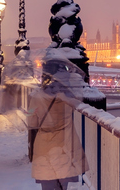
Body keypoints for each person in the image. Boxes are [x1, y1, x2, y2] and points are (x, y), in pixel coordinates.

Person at [27, 57, 88, 189]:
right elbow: (79, 103)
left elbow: (31, 122)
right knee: (67, 182)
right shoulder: (68, 96)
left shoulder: (36, 97)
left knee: (47, 181)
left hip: (44, 145)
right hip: (66, 143)